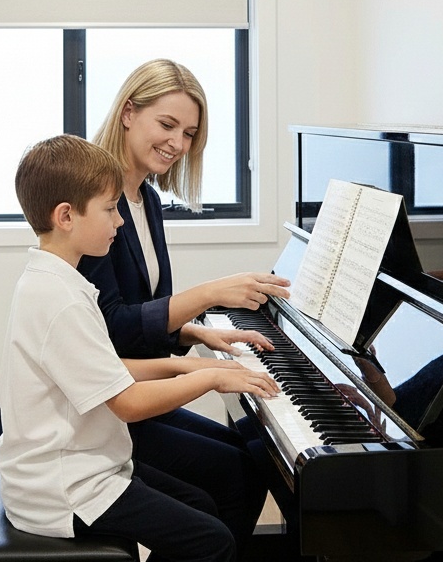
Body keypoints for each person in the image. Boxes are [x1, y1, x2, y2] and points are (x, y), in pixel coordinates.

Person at [0, 135, 280, 562]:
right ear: (67, 216)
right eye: (110, 210)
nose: (120, 222)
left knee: (203, 507)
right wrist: (211, 377)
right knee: (211, 540)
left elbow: (108, 369)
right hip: (67, 487)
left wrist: (182, 368)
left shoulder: (56, 281)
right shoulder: (61, 299)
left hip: (87, 463)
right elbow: (127, 404)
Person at [79, 59, 294, 550]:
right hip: (96, 405)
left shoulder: (146, 200)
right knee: (236, 474)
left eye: (190, 133)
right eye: (168, 125)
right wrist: (208, 295)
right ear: (128, 112)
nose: (178, 143)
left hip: (128, 382)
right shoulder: (95, 203)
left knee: (249, 455)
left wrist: (196, 331)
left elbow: (141, 310)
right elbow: (109, 328)